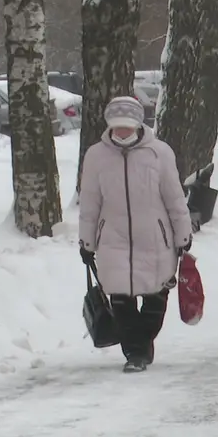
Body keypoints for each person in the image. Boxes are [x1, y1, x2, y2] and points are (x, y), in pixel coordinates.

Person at [78, 96, 193, 373]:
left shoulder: (159, 153)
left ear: (138, 124)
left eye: (127, 126)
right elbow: (90, 203)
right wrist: (86, 241)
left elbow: (174, 198)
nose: (122, 132)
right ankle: (135, 354)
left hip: (155, 237)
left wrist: (182, 235)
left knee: (156, 299)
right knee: (120, 299)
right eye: (117, 127)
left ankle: (142, 343)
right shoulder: (96, 156)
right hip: (113, 239)